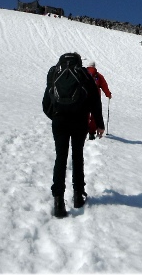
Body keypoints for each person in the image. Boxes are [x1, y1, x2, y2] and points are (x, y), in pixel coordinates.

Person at [42, 52, 104, 218]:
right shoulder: (83, 73)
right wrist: (99, 124)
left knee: (60, 158)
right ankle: (78, 195)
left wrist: (56, 115)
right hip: (79, 121)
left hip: (59, 121)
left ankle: (58, 202)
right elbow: (94, 101)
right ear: (78, 61)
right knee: (77, 156)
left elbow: (45, 102)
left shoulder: (54, 72)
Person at [86, 61, 112, 141]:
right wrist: (108, 94)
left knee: (85, 114)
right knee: (94, 115)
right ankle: (91, 133)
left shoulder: (83, 73)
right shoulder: (98, 76)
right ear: (94, 66)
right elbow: (104, 85)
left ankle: (84, 129)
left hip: (84, 97)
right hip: (95, 98)